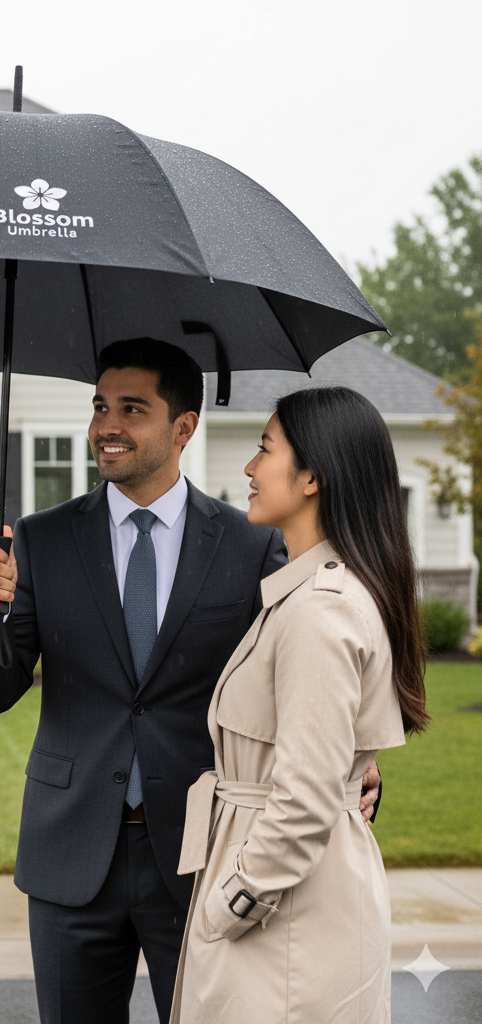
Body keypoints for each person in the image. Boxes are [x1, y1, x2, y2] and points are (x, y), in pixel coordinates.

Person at [0, 338, 382, 1024]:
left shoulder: (250, 546)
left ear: (184, 427)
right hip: (69, 855)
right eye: (100, 406)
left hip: (200, 854)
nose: (107, 426)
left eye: (132, 408)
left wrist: (355, 766)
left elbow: (300, 676)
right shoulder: (40, 539)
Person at [169, 386, 428, 1024]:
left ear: (312, 476)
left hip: (286, 917)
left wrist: (237, 897)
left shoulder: (319, 609)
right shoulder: (308, 594)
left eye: (265, 449)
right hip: (291, 900)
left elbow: (307, 793)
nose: (251, 470)